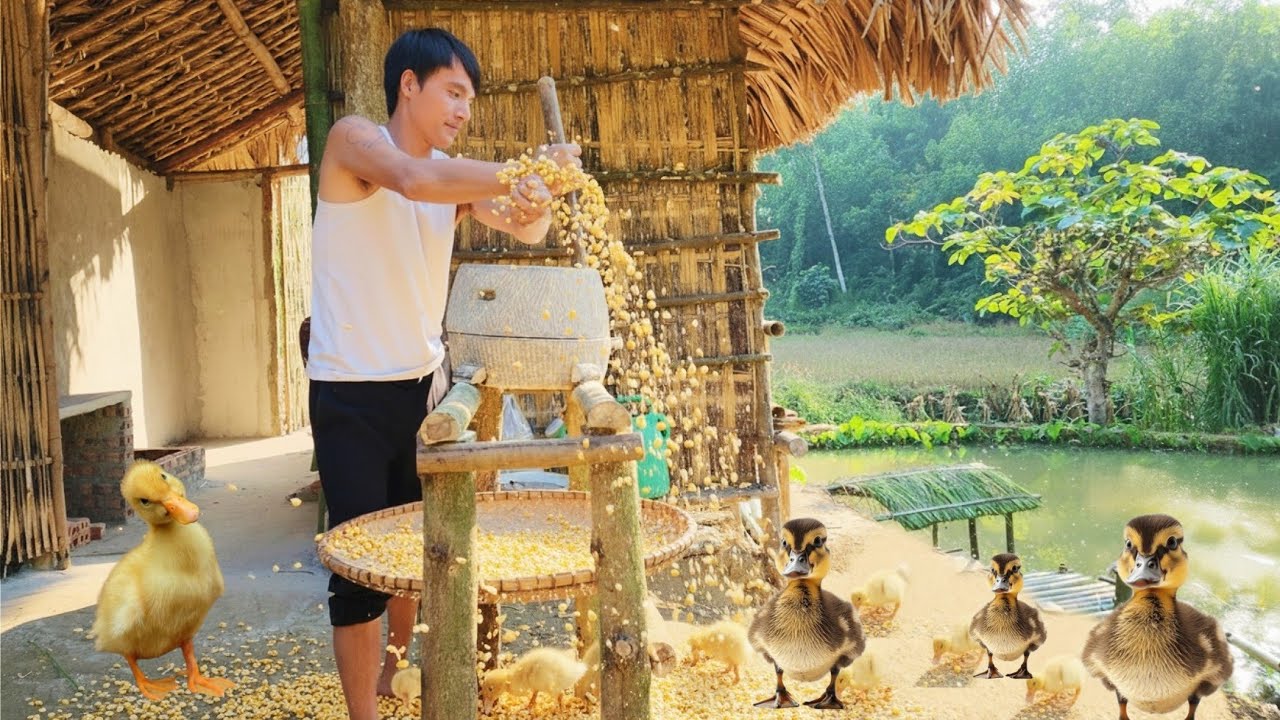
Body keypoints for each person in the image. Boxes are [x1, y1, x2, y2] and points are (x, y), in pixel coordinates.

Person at [306, 27, 580, 720]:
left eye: (469, 99)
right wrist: (528, 166)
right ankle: (363, 713)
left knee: (412, 554)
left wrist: (544, 186)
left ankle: (398, 688)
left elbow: (529, 229)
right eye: (453, 92)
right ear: (409, 84)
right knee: (359, 567)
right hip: (350, 392)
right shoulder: (354, 143)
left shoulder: (454, 176)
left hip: (422, 386)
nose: (462, 110)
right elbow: (414, 179)